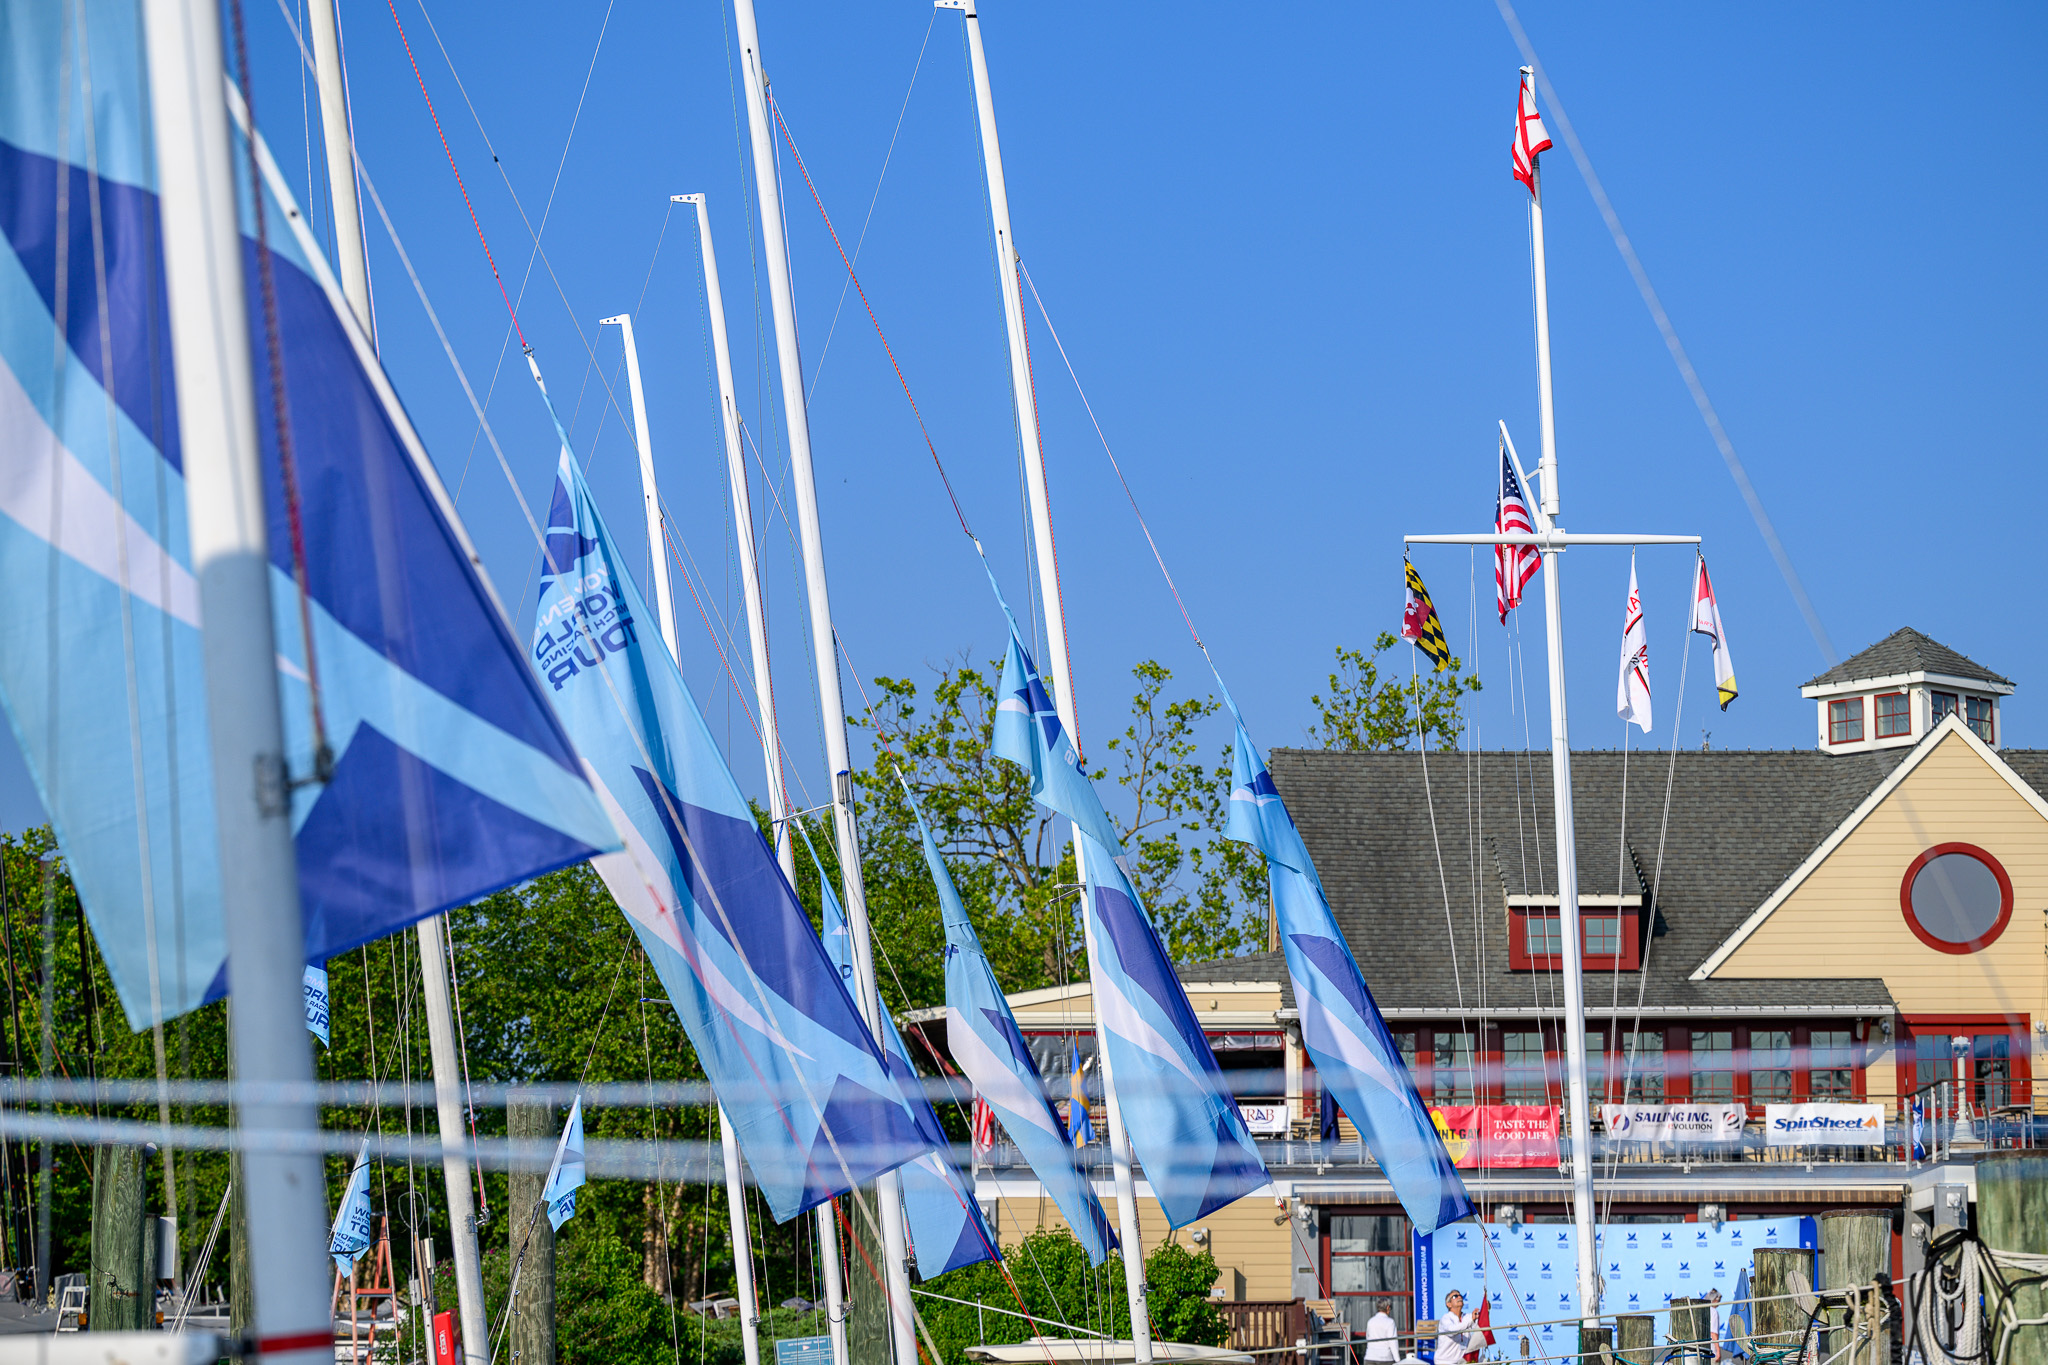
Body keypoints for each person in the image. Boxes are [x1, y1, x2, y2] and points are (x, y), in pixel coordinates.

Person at [1436, 1290, 1479, 1365]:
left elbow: (1479, 1328)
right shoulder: (1446, 1318)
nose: (1459, 1297)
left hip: (1462, 1362)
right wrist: (1471, 1320)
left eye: (1460, 1295)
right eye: (1455, 1296)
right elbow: (1452, 1331)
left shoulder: (1467, 1317)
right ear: (1449, 1304)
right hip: (1444, 1362)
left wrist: (1486, 1311)